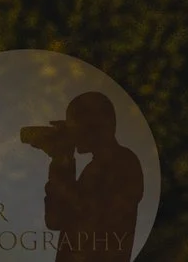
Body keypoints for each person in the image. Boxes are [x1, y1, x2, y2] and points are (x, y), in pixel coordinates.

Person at [29, 91, 142, 261]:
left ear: (92, 126)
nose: (71, 133)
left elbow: (93, 215)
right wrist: (61, 160)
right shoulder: (93, 169)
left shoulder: (124, 162)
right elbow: (55, 220)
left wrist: (62, 169)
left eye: (73, 125)